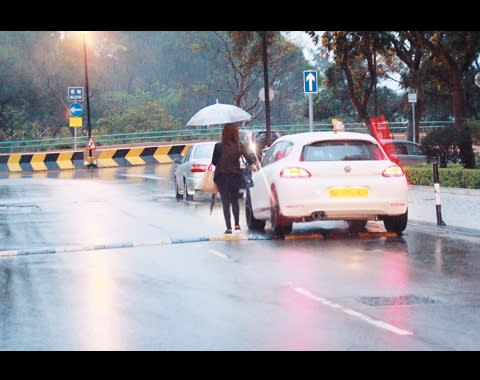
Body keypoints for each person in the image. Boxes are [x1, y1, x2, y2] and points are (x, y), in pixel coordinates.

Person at [212, 122, 258, 234]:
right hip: (235, 176)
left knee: (225, 201)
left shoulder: (218, 146)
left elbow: (214, 162)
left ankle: (228, 227)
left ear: (224, 133)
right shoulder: (239, 145)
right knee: (234, 200)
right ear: (235, 133)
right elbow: (249, 159)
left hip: (222, 177)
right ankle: (237, 224)